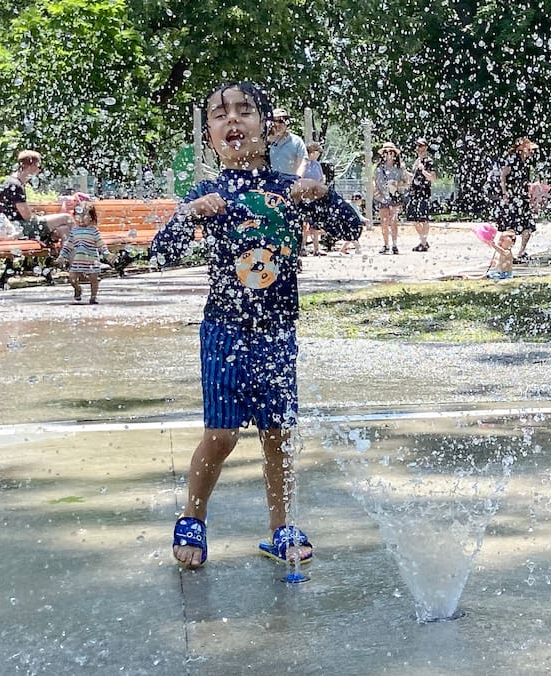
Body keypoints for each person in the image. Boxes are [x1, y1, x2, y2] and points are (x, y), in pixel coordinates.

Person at [150, 82, 358, 570]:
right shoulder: (206, 192)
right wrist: (188, 216)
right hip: (223, 329)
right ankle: (193, 517)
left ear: (268, 126)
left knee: (278, 434)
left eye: (245, 111)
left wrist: (324, 196)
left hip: (279, 329)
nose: (233, 121)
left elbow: (351, 230)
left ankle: (281, 525)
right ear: (211, 134)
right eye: (220, 115)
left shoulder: (290, 191)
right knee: (221, 436)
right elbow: (160, 253)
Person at [0, 150, 74, 247]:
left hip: (17, 226)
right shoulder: (15, 185)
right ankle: (84, 248)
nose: (39, 170)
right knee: (67, 218)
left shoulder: (14, 182)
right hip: (16, 228)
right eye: (38, 166)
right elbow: (28, 217)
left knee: (64, 229)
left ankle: (65, 260)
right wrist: (42, 219)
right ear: (31, 166)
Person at [56, 197, 109, 303]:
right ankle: (77, 288)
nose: (80, 218)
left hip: (92, 260)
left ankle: (93, 297)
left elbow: (100, 244)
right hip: (78, 260)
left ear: (91, 217)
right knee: (72, 278)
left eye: (84, 215)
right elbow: (69, 244)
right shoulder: (74, 231)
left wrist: (107, 254)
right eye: (78, 215)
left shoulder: (93, 231)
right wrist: (62, 256)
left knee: (93, 279)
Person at [498, 137, 538, 262]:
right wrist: (504, 193)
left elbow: (525, 181)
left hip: (523, 197)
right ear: (521, 148)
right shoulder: (512, 160)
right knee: (511, 226)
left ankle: (521, 252)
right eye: (529, 149)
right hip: (513, 197)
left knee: (528, 226)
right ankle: (507, 253)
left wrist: (530, 193)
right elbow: (503, 177)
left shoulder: (525, 163)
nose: (532, 152)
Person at [374, 142, 409, 255]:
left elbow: (405, 182)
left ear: (394, 154)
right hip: (382, 197)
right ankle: (386, 244)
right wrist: (377, 194)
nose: (388, 154)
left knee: (394, 221)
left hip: (395, 196)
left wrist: (396, 184)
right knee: (384, 221)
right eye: (386, 152)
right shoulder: (378, 168)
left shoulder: (400, 167)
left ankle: (394, 244)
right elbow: (373, 182)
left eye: (391, 152)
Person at [407, 139, 436, 252]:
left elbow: (432, 178)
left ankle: (423, 243)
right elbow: (414, 177)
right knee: (413, 218)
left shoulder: (428, 161)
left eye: (421, 146)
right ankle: (423, 241)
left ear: (426, 147)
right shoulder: (416, 161)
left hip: (424, 192)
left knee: (424, 218)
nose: (419, 148)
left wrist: (423, 170)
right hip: (414, 192)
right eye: (418, 146)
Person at [267, 108, 307, 179]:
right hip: (270, 182)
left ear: (287, 123)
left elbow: (302, 163)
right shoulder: (265, 142)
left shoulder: (296, 141)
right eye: (274, 121)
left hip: (289, 182)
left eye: (280, 121)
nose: (277, 124)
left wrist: (297, 179)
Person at [301, 143, 326, 255]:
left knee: (315, 224)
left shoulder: (317, 165)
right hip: (304, 196)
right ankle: (302, 247)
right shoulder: (303, 163)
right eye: (317, 152)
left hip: (315, 196)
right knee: (304, 223)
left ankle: (316, 249)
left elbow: (321, 179)